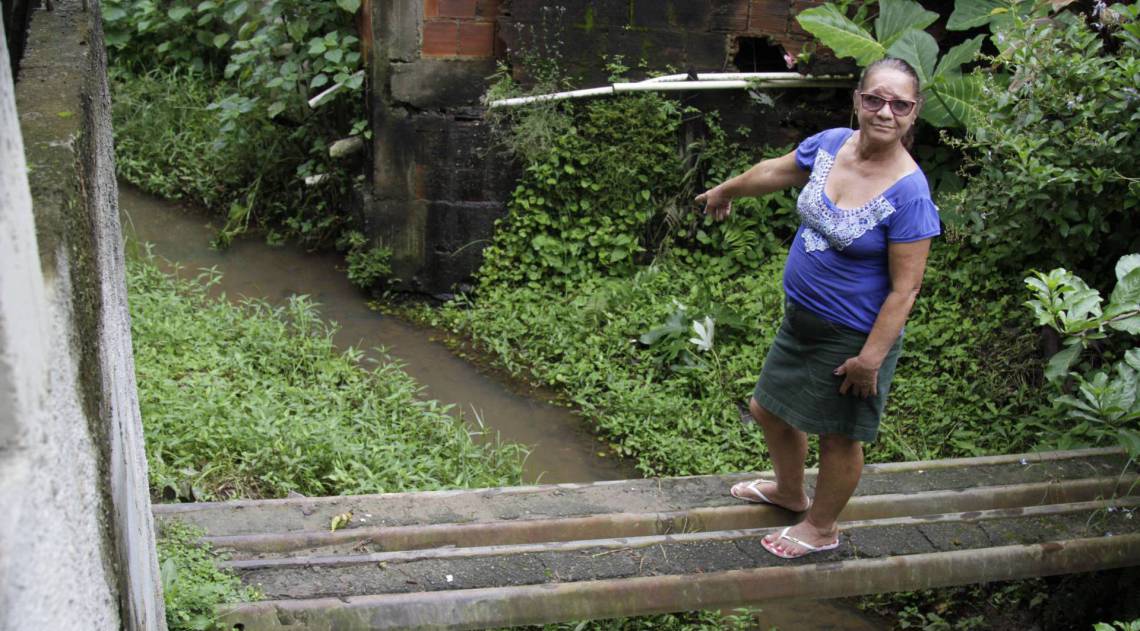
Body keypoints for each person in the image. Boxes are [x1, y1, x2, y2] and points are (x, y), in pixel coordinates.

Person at [694, 57, 941, 559]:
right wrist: (726, 189)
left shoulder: (910, 192)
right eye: (875, 98)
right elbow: (774, 171)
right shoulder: (831, 144)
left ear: (913, 114)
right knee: (768, 409)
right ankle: (789, 492)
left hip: (853, 336)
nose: (885, 111)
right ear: (858, 99)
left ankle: (822, 527)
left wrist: (871, 359)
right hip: (801, 322)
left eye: (900, 104)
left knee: (839, 437)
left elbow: (905, 290)